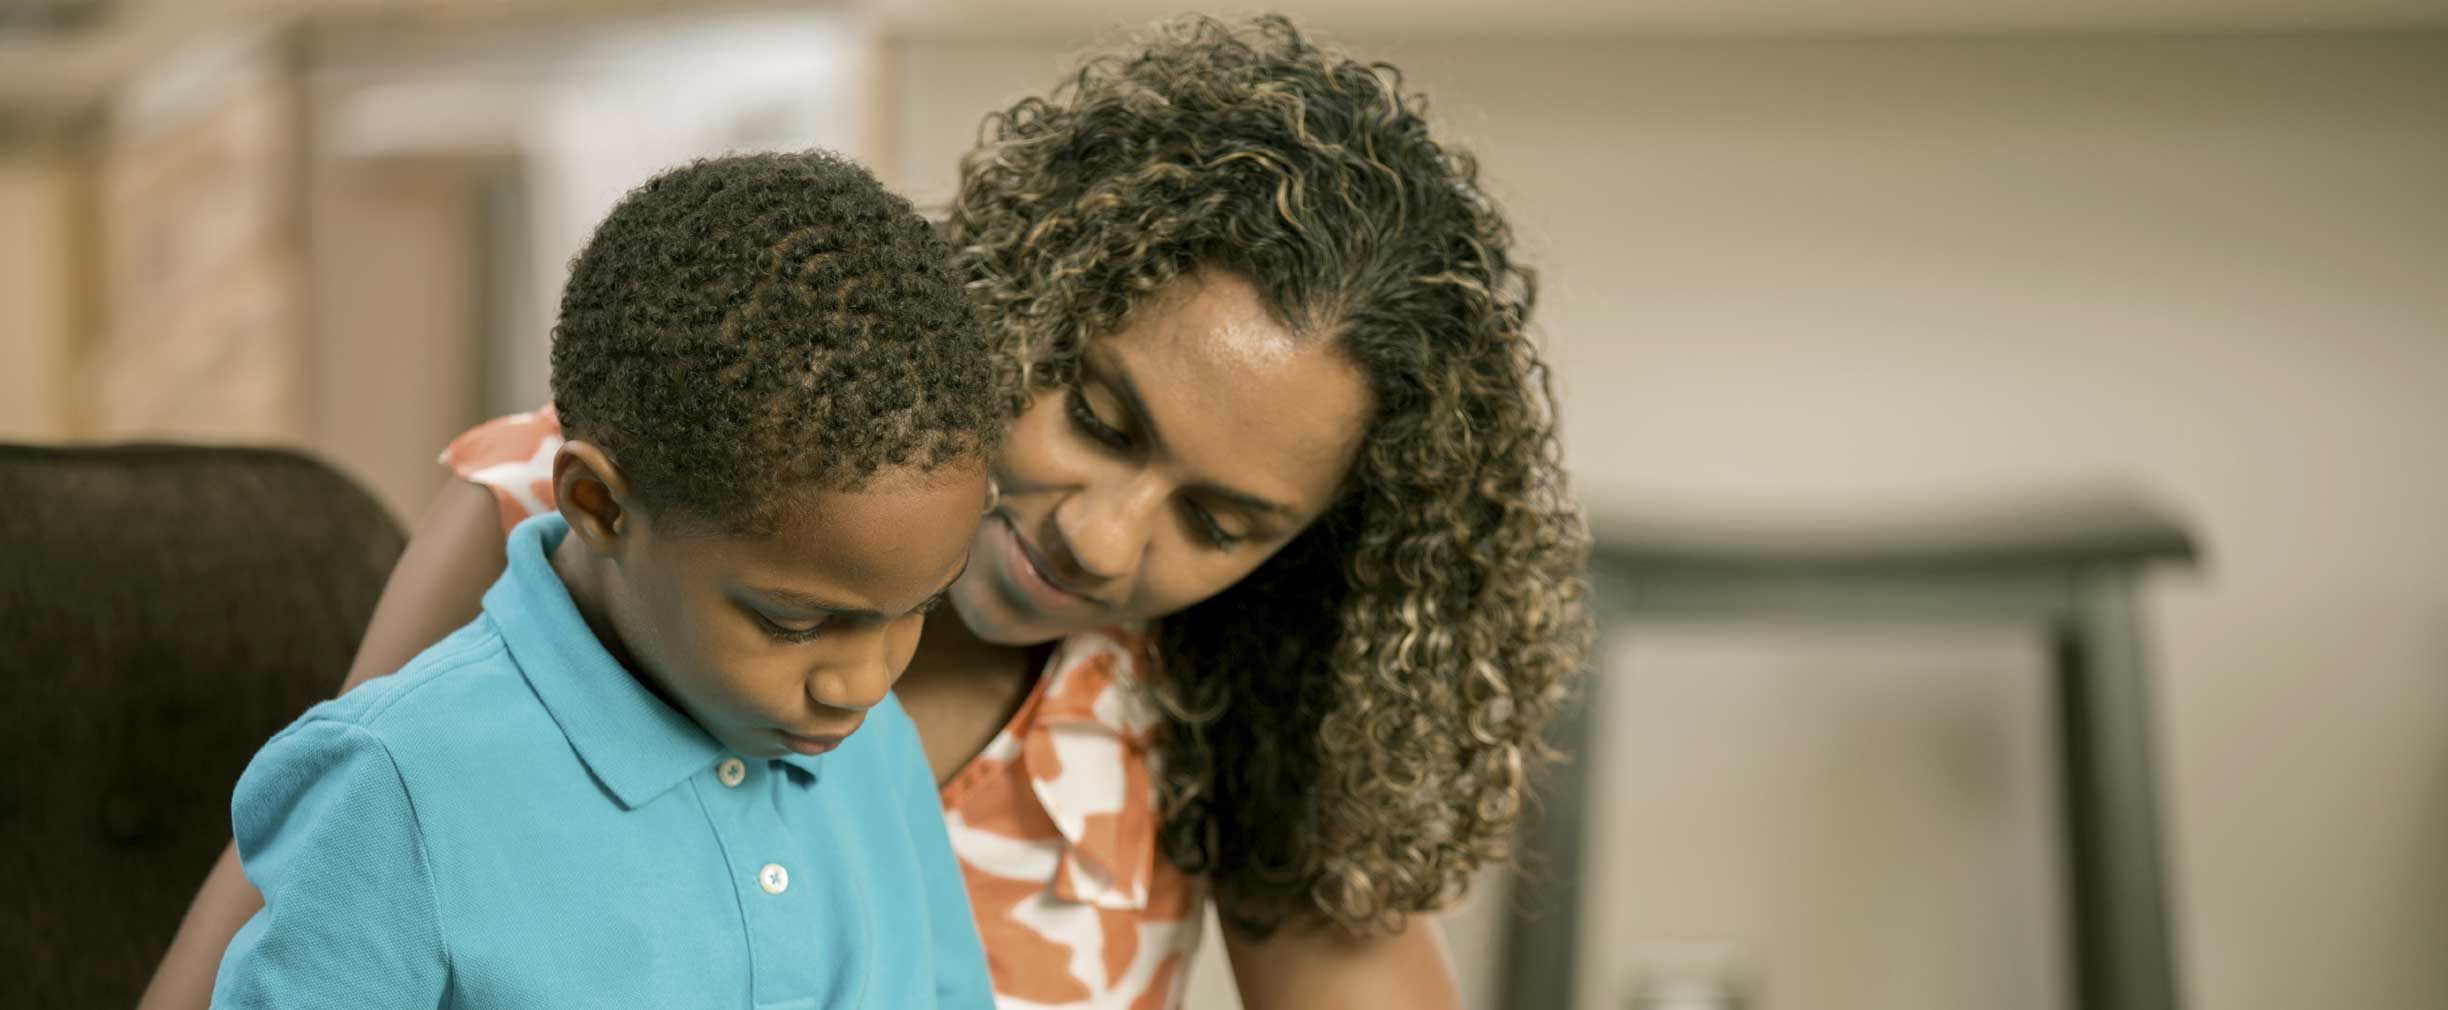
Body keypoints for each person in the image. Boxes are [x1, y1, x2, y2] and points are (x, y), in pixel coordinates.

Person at [147, 16, 1588, 1010]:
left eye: (1221, 521)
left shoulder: (1233, 699)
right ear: (1032, 280)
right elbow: (290, 913)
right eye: (1096, 416)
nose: (1103, 534)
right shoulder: (589, 512)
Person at [208, 152, 1000, 1009]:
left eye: (916, 610)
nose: (867, 681)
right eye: (795, 623)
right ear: (599, 505)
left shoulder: (873, 743)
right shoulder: (398, 786)